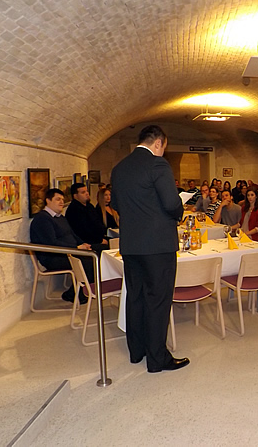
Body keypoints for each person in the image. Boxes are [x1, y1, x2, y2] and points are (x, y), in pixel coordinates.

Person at [110, 125, 189, 373]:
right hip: (158, 246)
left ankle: (137, 351)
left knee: (136, 297)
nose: (163, 151)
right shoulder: (158, 164)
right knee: (158, 300)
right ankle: (157, 359)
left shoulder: (119, 168)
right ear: (158, 143)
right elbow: (171, 203)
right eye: (164, 147)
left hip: (130, 245)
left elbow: (116, 204)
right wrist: (179, 210)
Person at [29, 188, 92, 304]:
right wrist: (77, 248)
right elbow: (51, 243)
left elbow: (72, 234)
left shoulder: (60, 217)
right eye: (58, 199)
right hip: (53, 257)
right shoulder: (42, 219)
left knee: (99, 251)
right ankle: (72, 294)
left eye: (62, 199)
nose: (61, 202)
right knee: (89, 262)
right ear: (48, 200)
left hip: (69, 252)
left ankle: (82, 290)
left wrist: (83, 244)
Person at [65, 183, 108, 251]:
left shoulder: (89, 206)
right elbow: (83, 231)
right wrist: (99, 240)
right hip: (87, 242)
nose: (87, 194)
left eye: (87, 191)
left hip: (99, 237)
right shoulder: (74, 210)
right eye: (83, 192)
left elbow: (98, 222)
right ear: (75, 196)